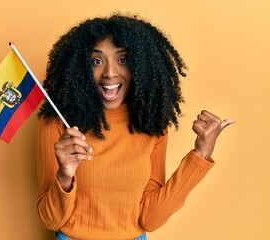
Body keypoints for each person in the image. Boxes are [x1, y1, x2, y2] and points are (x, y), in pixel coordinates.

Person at [36, 14, 234, 240]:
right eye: (96, 61)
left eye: (123, 60)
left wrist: (200, 155)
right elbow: (50, 220)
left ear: (141, 66)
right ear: (80, 67)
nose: (110, 72)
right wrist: (65, 175)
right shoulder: (57, 124)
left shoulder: (151, 125)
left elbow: (150, 219)